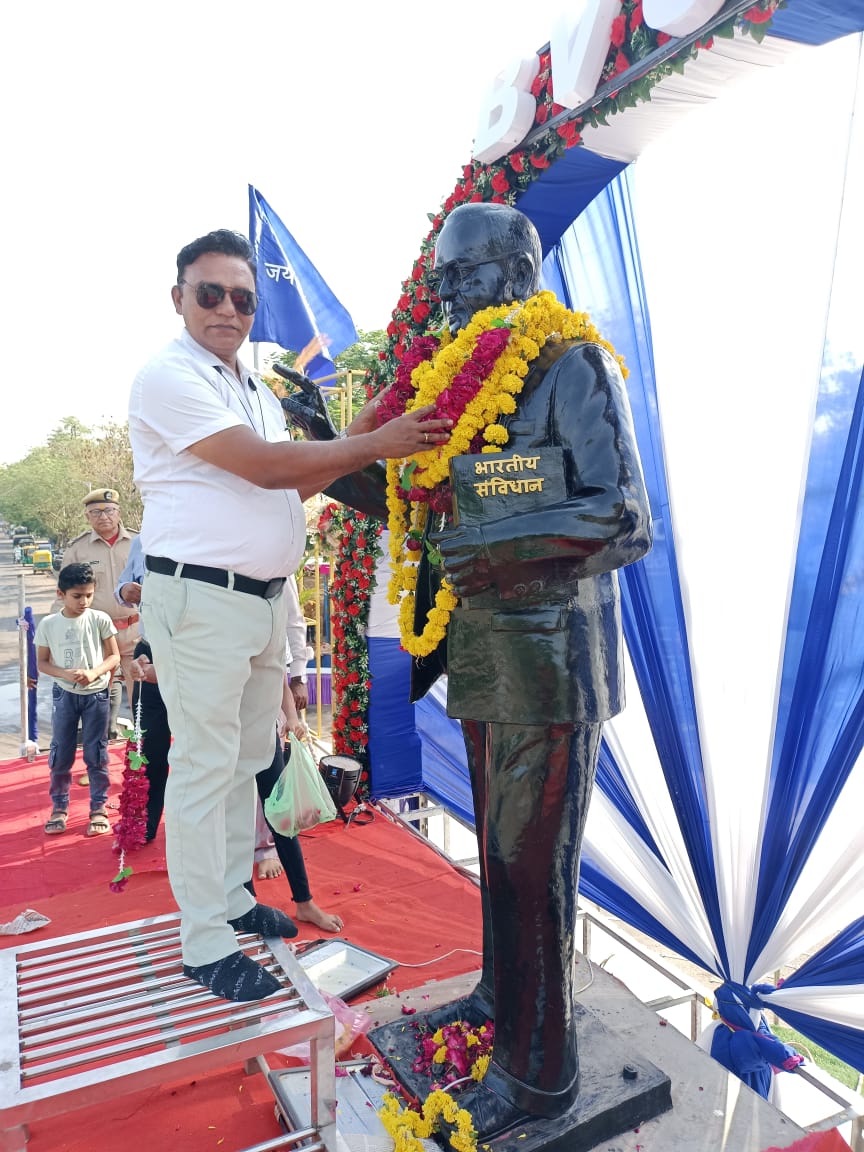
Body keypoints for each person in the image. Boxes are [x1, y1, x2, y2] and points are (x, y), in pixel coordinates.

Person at [286, 203, 653, 1140]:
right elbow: (417, 503)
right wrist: (328, 448)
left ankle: (540, 1081)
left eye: (465, 274)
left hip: (549, 659)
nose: (448, 294)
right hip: (482, 660)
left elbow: (621, 517)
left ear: (517, 270)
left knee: (536, 872)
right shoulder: (455, 385)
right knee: (502, 860)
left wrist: (502, 548)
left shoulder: (568, 364)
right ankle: (501, 1004)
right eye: (443, 279)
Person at [128, 228, 450, 1003]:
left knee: (243, 763)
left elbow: (288, 485)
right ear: (179, 299)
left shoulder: (257, 389)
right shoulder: (169, 376)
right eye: (210, 293)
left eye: (242, 297)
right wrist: (373, 442)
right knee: (205, 770)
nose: (228, 309)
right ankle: (203, 942)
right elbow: (269, 465)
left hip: (261, 602)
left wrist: (353, 444)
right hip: (201, 599)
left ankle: (234, 900)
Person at [35, 562, 120, 837]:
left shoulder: (100, 619)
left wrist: (94, 672)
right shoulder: (49, 624)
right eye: (76, 596)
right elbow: (43, 663)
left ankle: (98, 808)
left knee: (97, 753)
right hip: (65, 695)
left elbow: (114, 656)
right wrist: (65, 674)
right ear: (61, 594)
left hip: (96, 694)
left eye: (88, 595)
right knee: (61, 754)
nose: (83, 601)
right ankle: (59, 808)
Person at [62, 488, 140, 744]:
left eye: (109, 510)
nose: (103, 516)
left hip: (135, 632)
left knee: (143, 700)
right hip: (97, 636)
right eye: (96, 512)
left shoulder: (141, 543)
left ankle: (143, 760)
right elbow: (65, 594)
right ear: (87, 517)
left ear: (119, 513)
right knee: (96, 704)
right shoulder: (77, 549)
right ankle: (98, 761)